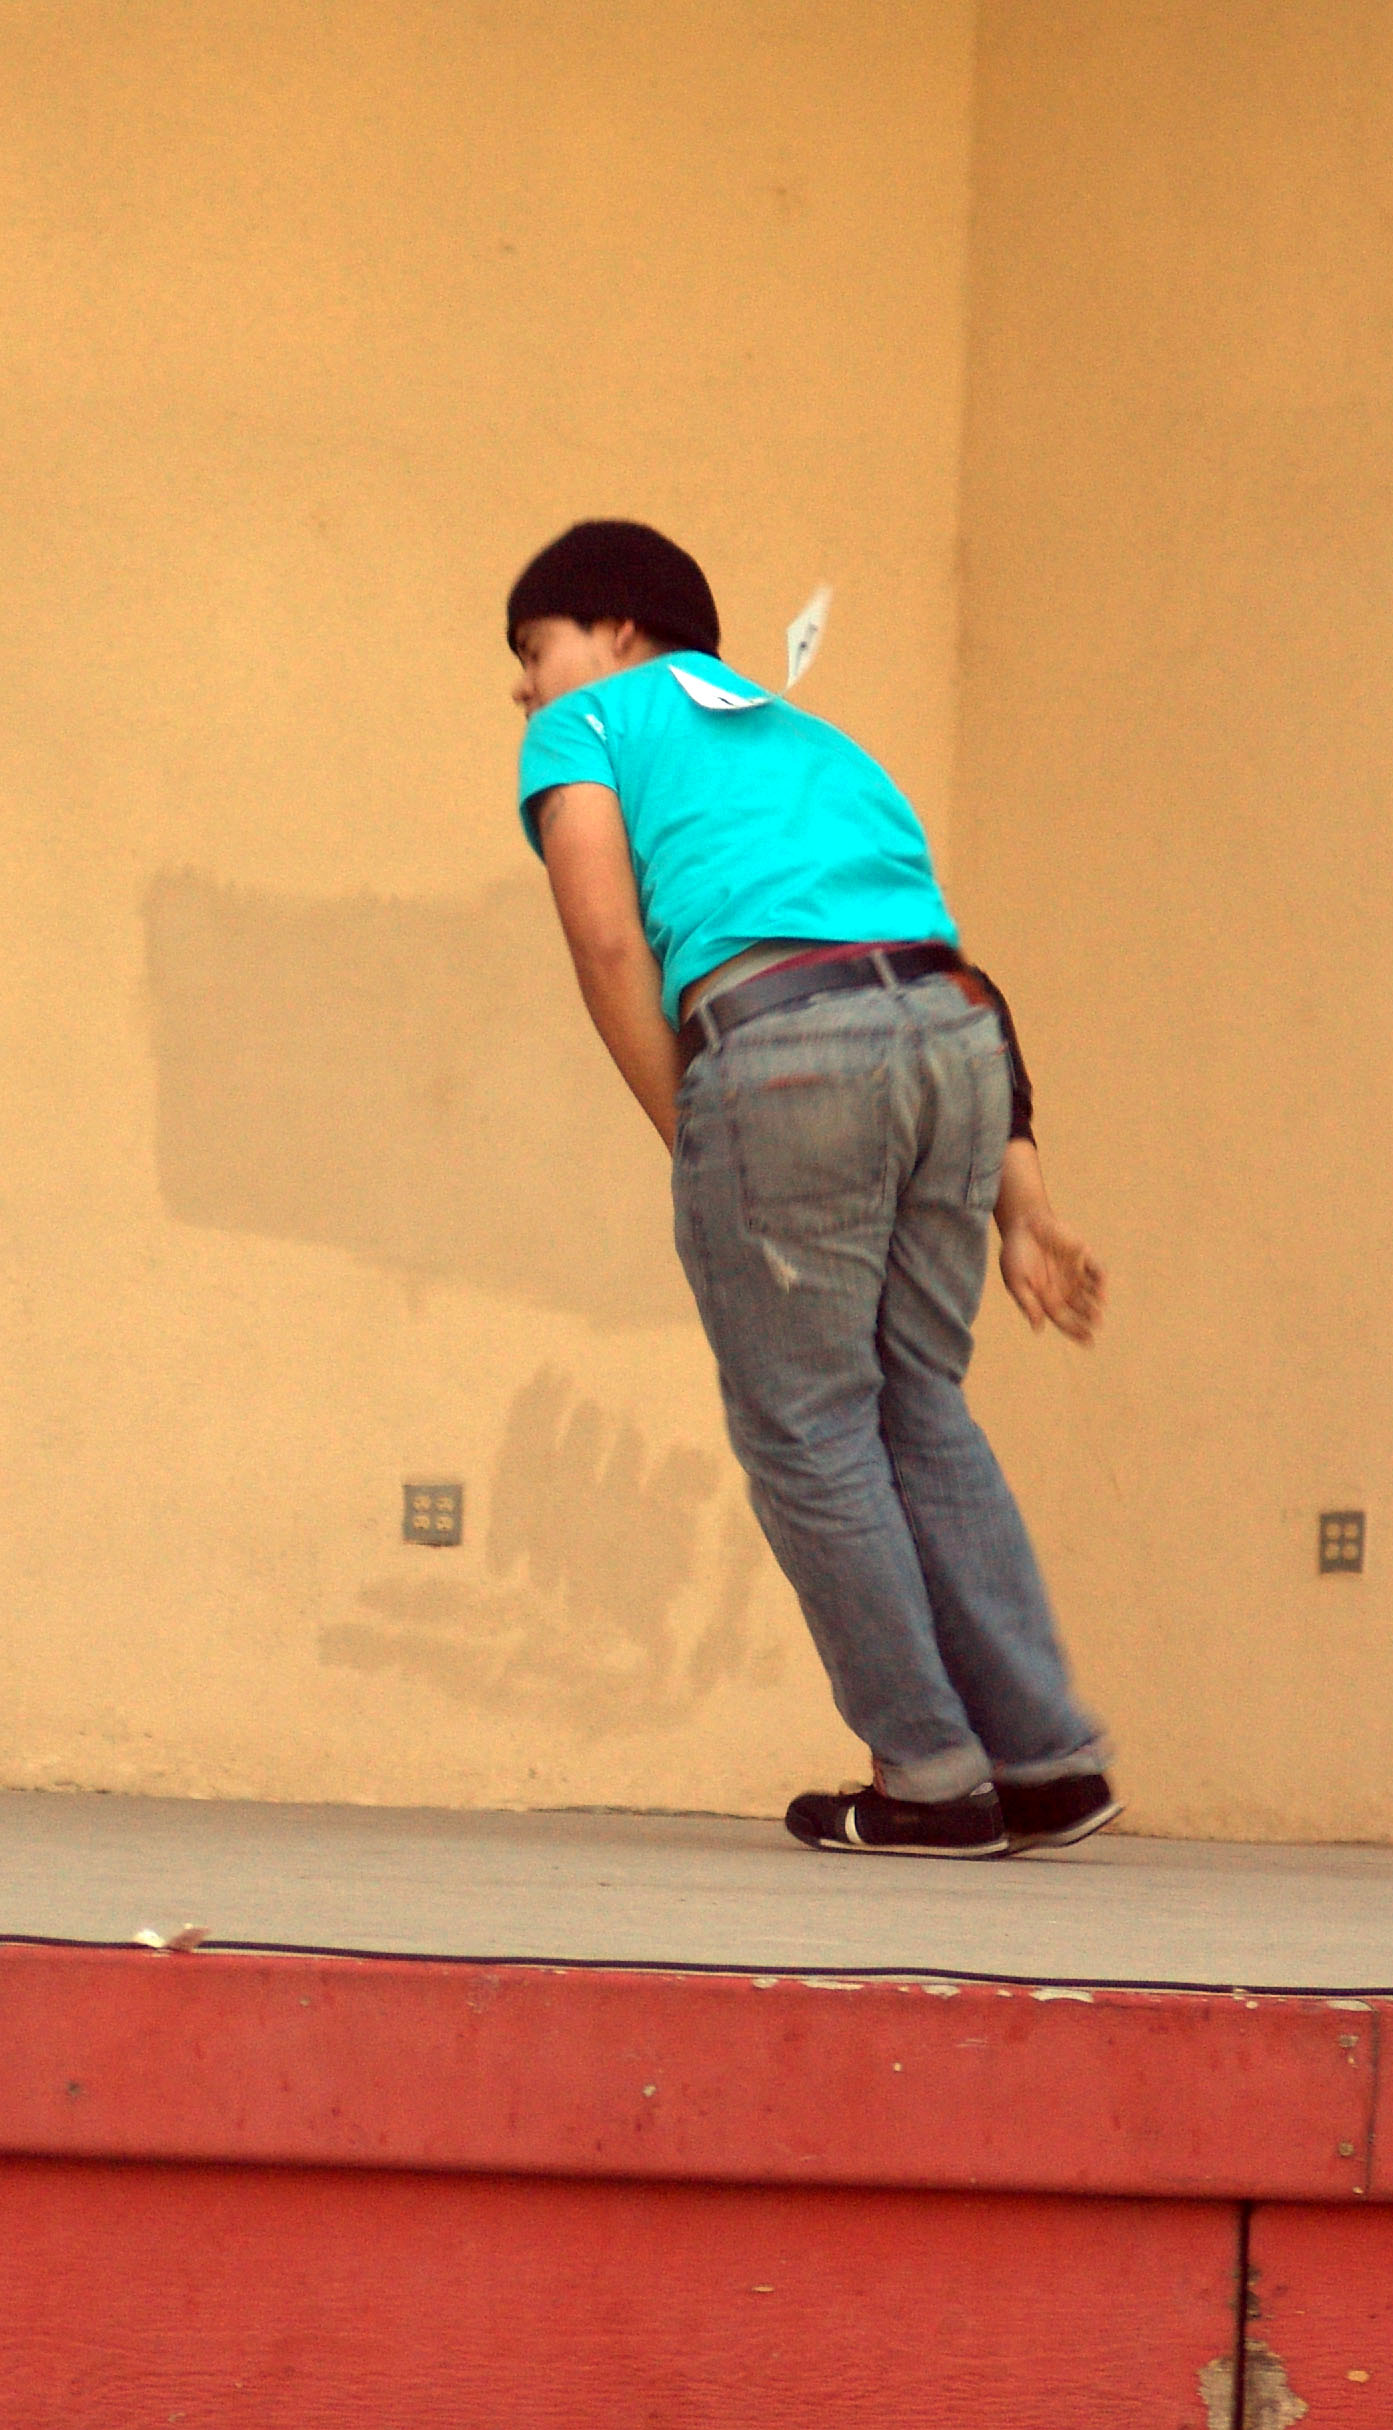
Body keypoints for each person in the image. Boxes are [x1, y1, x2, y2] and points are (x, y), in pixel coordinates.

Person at [505, 519, 1120, 1858]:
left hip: (782, 1056)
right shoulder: (827, 746)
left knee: (807, 1429)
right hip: (953, 1050)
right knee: (921, 1406)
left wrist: (695, 1129)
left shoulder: (586, 725)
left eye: (533, 648)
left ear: (617, 630)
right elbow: (945, 972)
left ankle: (928, 1775)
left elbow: (606, 940)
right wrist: (1024, 1205)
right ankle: (1047, 1759)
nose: (522, 685)